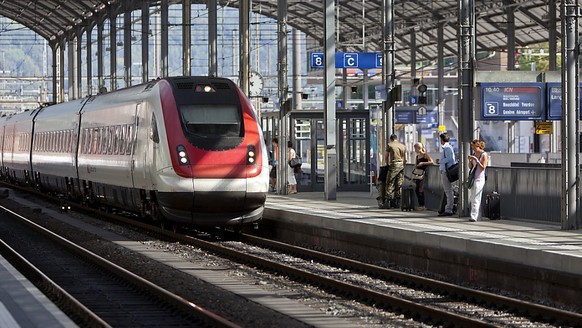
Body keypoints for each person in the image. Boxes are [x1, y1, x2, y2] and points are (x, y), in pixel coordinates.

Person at [382, 134, 407, 209]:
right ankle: (397, 201)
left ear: (391, 139)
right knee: (398, 183)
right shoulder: (403, 146)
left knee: (389, 182)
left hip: (393, 164)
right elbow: (405, 159)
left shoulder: (389, 145)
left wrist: (387, 164)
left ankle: (388, 201)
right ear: (396, 138)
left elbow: (386, 157)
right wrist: (403, 165)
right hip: (401, 165)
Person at [468, 139, 488, 222]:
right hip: (473, 178)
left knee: (476, 197)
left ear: (478, 146)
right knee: (473, 197)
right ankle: (477, 215)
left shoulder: (484, 154)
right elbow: (471, 167)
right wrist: (470, 160)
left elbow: (483, 167)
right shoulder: (474, 154)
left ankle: (474, 216)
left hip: (480, 179)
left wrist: (476, 159)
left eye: (473, 146)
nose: (472, 148)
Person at [438, 133, 456, 216]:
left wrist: (440, 161)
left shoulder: (447, 148)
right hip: (445, 171)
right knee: (448, 191)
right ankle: (448, 208)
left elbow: (449, 159)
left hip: (446, 171)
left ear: (442, 140)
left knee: (448, 191)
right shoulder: (447, 148)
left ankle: (449, 209)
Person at [412, 142, 433, 211]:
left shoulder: (425, 155)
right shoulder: (417, 156)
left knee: (420, 190)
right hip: (418, 174)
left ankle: (422, 205)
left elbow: (431, 162)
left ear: (419, 148)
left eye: (415, 148)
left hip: (423, 174)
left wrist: (423, 163)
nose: (415, 150)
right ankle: (420, 205)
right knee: (417, 190)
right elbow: (415, 166)